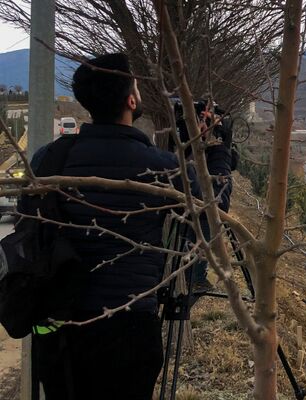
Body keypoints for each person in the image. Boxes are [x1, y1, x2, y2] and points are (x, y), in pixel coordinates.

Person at [29, 53, 232, 399]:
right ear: (131, 99)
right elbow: (214, 212)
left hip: (58, 326)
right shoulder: (161, 167)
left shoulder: (49, 159)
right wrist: (216, 149)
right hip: (130, 324)